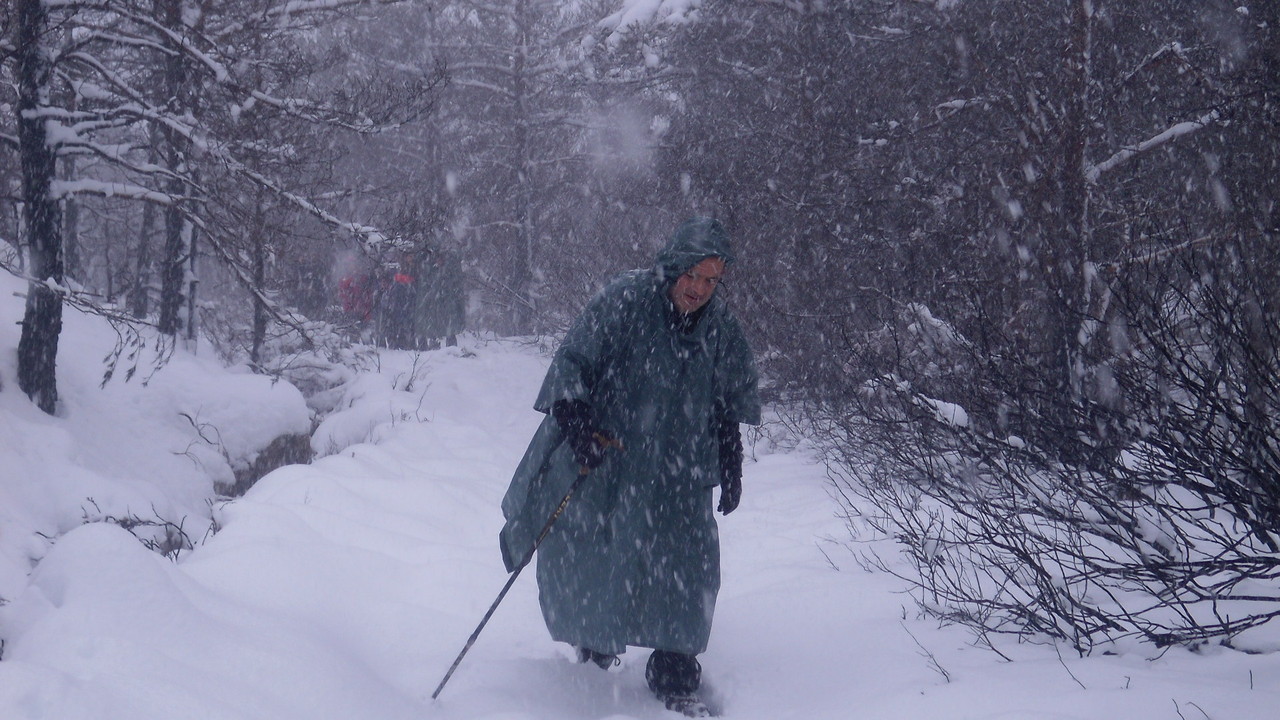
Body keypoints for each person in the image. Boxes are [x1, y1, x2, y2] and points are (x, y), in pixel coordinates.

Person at [499, 217, 760, 717]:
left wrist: (731, 459)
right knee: (602, 554)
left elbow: (730, 398)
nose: (699, 289)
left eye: (711, 280)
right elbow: (572, 362)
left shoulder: (721, 328)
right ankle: (596, 648)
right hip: (611, 459)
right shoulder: (625, 300)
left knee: (688, 567)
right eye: (692, 275)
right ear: (675, 266)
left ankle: (675, 672)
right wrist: (578, 423)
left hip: (680, 471)